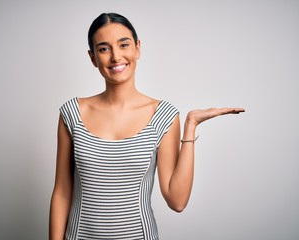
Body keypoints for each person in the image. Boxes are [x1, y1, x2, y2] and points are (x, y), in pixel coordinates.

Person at [49, 12, 244, 240]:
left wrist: (190, 125)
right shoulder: (71, 113)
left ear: (137, 48)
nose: (116, 56)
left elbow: (177, 200)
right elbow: (62, 192)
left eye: (124, 45)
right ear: (92, 58)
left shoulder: (164, 115)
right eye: (104, 49)